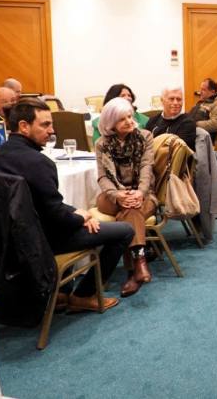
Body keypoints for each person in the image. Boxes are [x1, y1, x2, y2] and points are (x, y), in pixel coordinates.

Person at [0, 98, 133, 311]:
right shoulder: (39, 162)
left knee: (77, 218)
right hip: (42, 242)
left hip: (11, 242)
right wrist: (81, 218)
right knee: (124, 231)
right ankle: (84, 295)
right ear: (24, 126)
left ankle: (61, 294)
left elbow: (38, 205)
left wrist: (76, 213)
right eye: (45, 125)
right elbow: (56, 216)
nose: (52, 130)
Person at [95, 97, 158, 297]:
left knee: (130, 212)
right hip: (112, 196)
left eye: (130, 116)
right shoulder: (102, 144)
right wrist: (117, 195)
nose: (130, 121)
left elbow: (147, 168)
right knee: (129, 209)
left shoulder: (145, 137)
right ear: (110, 123)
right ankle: (140, 263)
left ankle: (134, 271)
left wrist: (139, 192)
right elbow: (102, 177)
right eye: (122, 119)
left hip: (143, 194)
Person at [145, 85, 196, 151]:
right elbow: (145, 144)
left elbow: (177, 150)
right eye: (171, 99)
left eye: (179, 99)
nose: (175, 103)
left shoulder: (188, 123)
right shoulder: (153, 120)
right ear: (162, 100)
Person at [187, 77, 217, 142]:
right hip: (192, 131)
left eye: (203, 90)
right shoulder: (203, 102)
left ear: (212, 92)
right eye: (200, 89)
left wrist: (195, 124)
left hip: (203, 136)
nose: (200, 92)